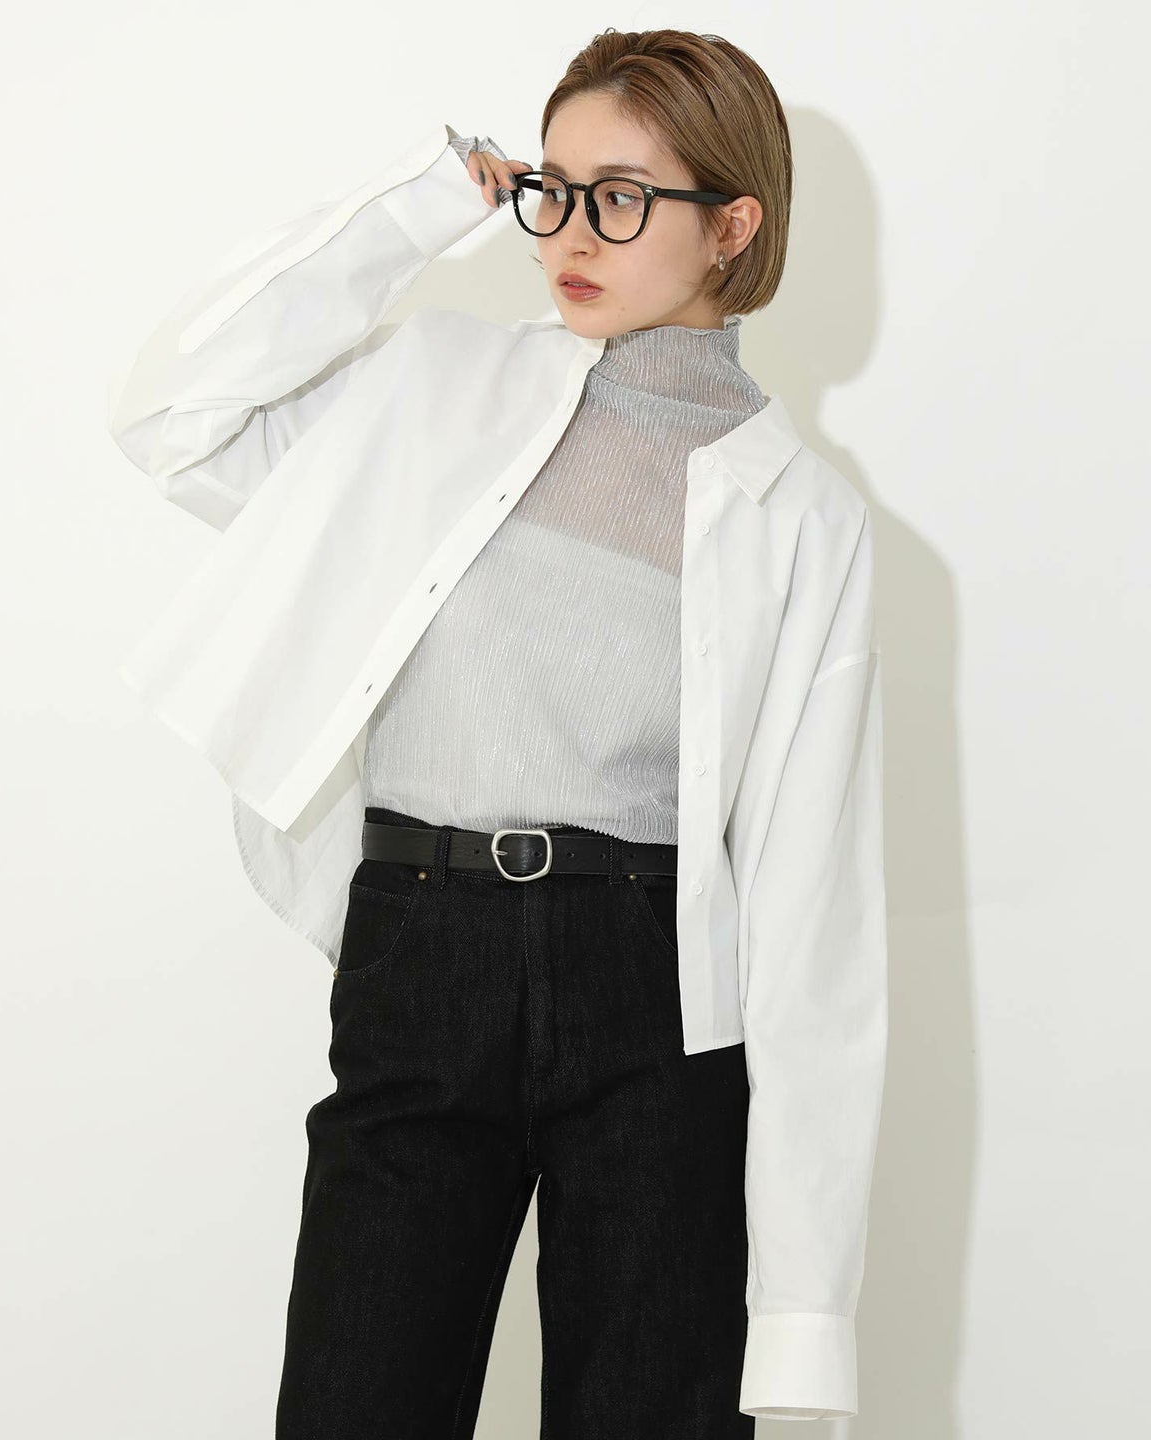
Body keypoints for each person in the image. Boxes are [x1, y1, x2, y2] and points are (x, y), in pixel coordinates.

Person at [108, 26, 888, 1438]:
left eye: (621, 197)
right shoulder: (430, 393)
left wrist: (803, 1324)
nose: (569, 233)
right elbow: (177, 415)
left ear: (734, 226)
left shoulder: (802, 514)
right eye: (554, 188)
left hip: (657, 993)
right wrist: (412, 212)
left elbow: (811, 912)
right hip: (422, 945)